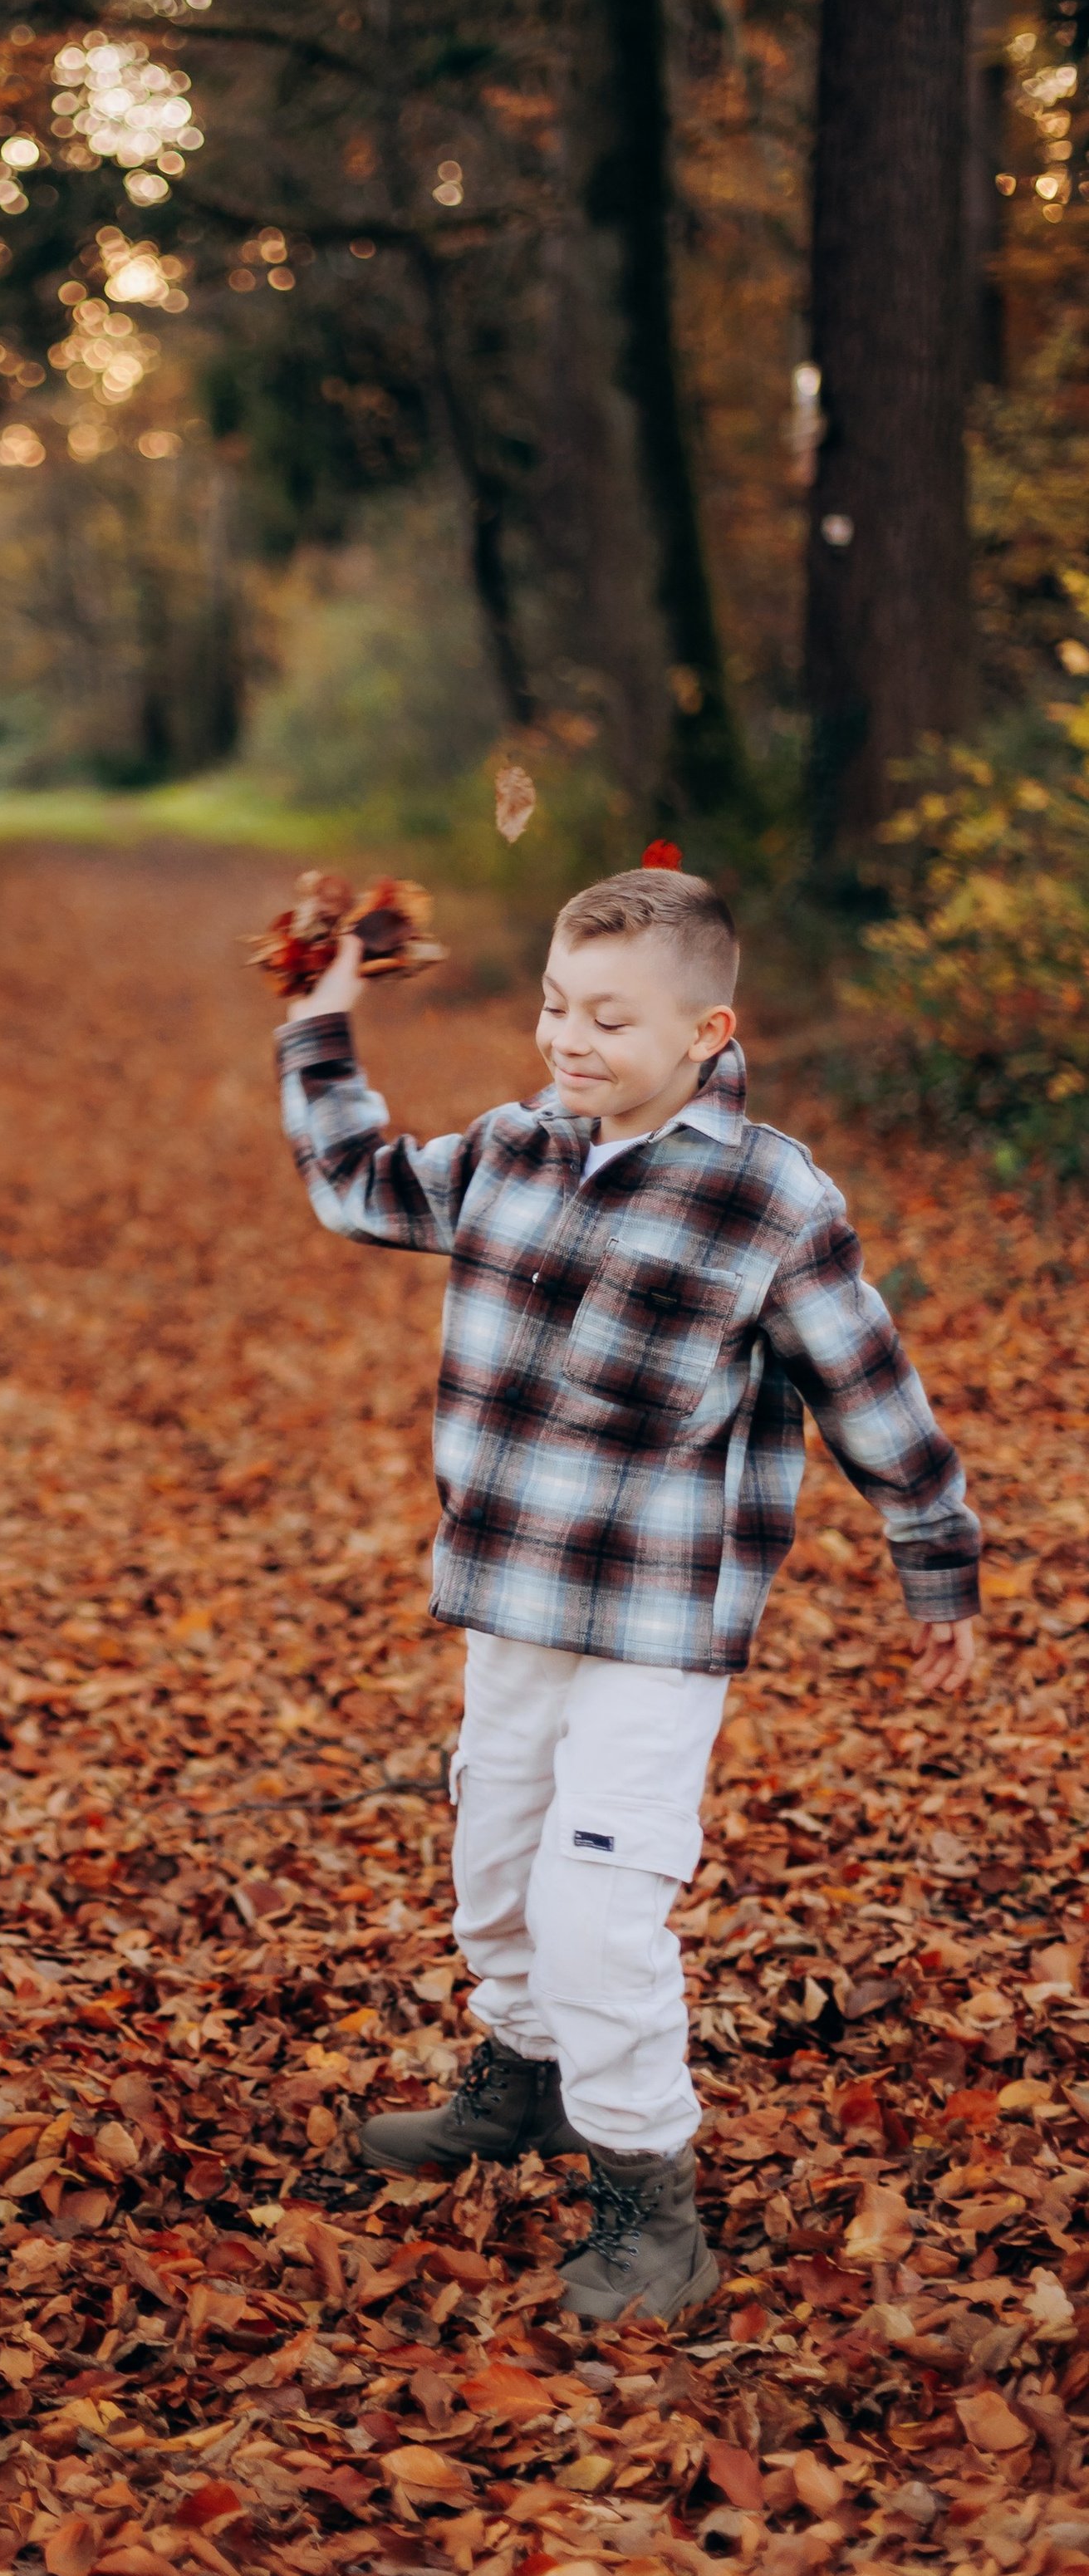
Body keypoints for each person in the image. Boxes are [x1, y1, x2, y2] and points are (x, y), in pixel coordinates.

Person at [276, 865, 979, 2323]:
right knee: (495, 1869)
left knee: (598, 1904)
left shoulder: (768, 1196)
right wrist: (320, 1025)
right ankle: (524, 2079)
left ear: (707, 1031)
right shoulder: (514, 1150)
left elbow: (867, 1387)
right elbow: (357, 1187)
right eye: (555, 1006)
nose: (568, 1039)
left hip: (658, 1623)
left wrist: (937, 1562)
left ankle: (651, 2202)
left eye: (608, 1017)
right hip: (513, 1600)